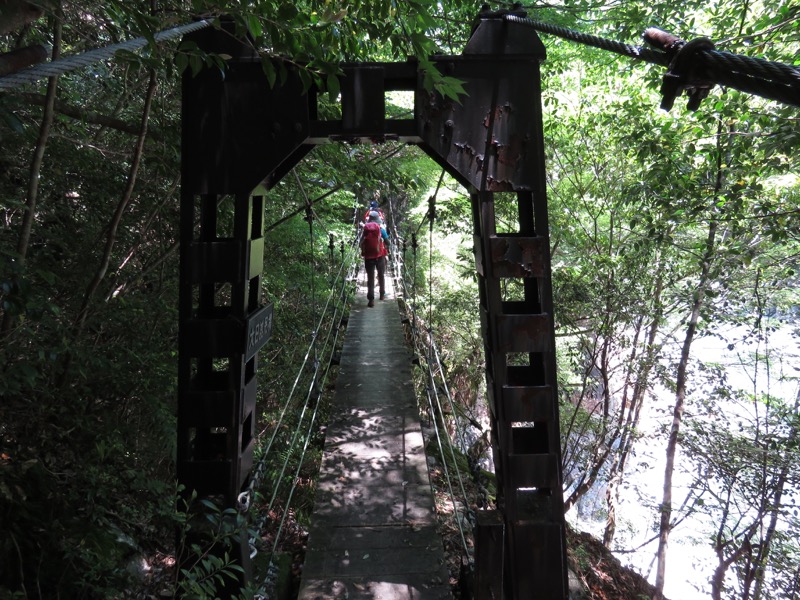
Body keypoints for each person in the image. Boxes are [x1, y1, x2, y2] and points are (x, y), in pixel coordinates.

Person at [360, 210, 389, 307]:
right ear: (378, 219)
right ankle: (381, 295)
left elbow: (361, 242)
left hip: (368, 257)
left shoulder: (366, 229)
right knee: (381, 275)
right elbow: (388, 242)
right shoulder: (381, 229)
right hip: (380, 255)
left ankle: (371, 300)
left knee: (370, 278)